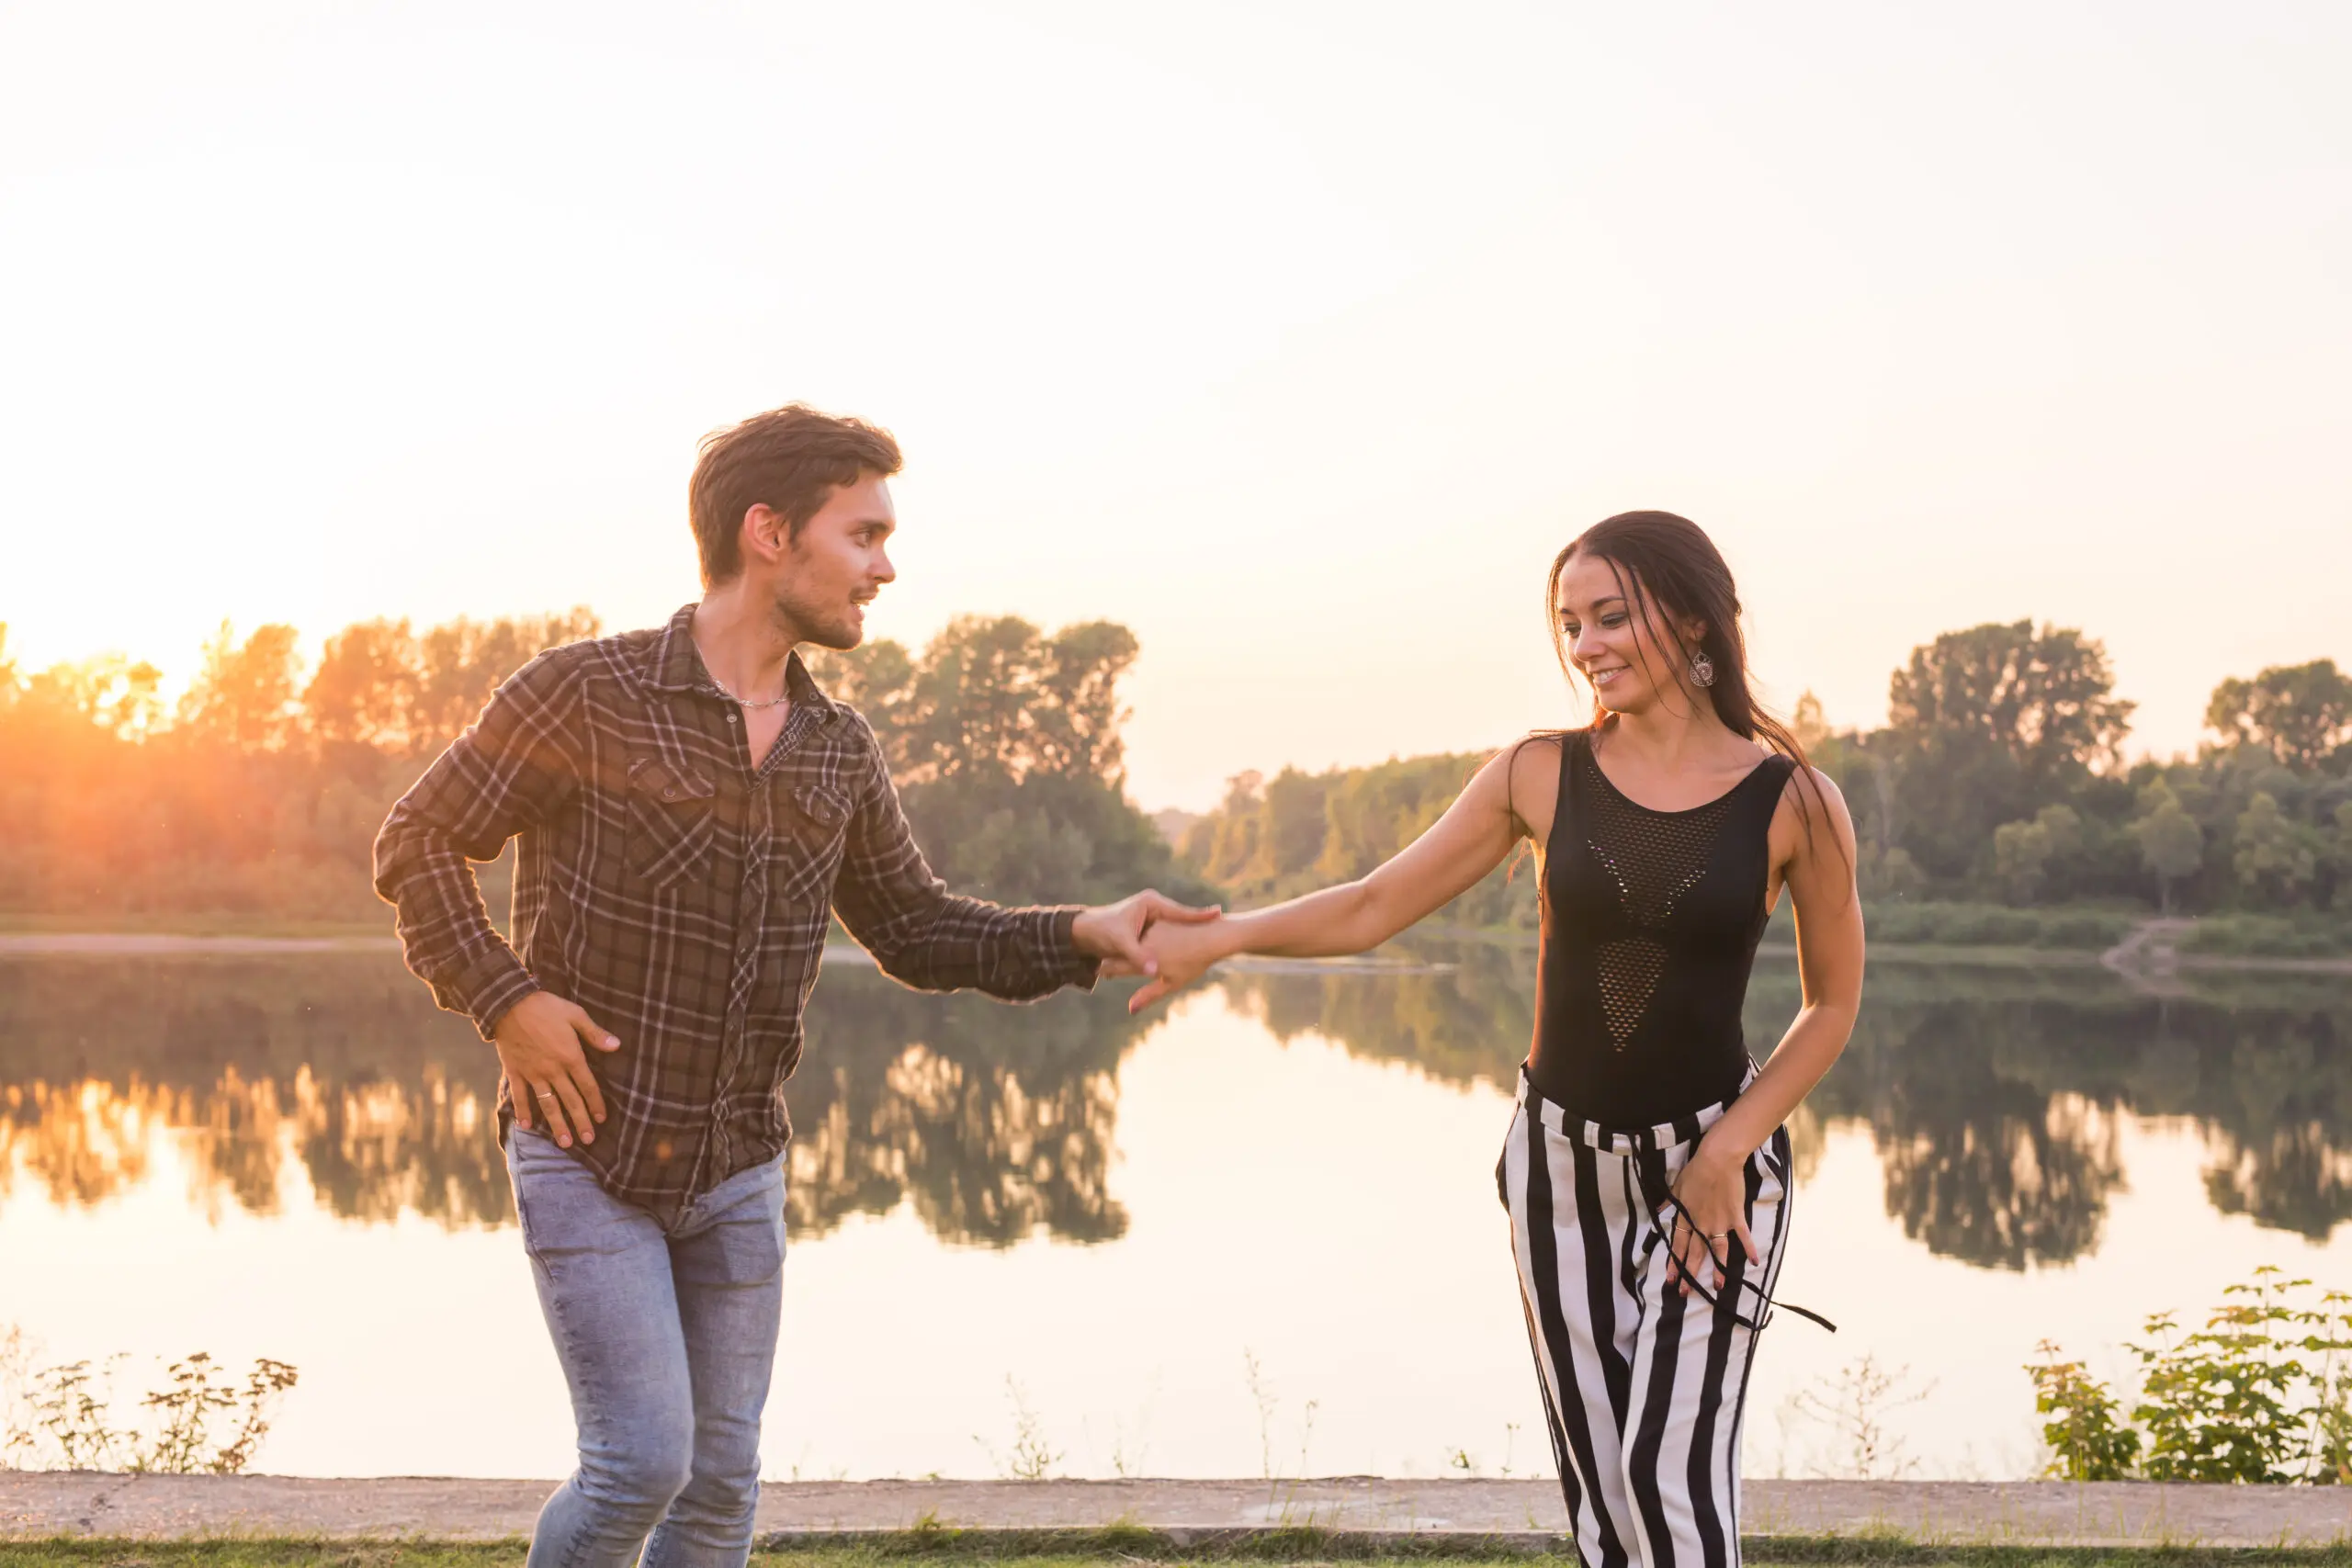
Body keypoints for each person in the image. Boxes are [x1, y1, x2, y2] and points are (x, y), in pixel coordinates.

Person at [373, 403, 1214, 1568]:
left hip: (739, 1170)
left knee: (720, 1493)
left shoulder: (838, 749)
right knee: (639, 1466)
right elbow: (416, 842)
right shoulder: (584, 695)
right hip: (589, 1151)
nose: (885, 566)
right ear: (770, 532)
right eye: (862, 534)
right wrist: (506, 1001)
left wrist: (1084, 930)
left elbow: (918, 930)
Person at [1121, 511, 1864, 1568]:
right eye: (1570, 625)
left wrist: (1728, 1150)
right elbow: (1374, 904)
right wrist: (1223, 940)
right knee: (1606, 1495)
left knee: (1670, 1482)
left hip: (1713, 1173)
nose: (1586, 646)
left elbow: (1830, 1005)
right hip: (1557, 1172)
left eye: (1611, 617)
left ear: (1693, 616)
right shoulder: (1537, 772)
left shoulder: (1794, 801)